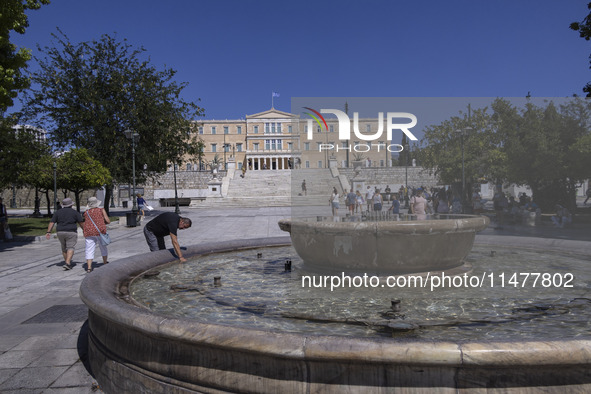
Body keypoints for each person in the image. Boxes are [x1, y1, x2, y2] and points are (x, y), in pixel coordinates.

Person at [46, 198, 84, 270]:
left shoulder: (58, 212)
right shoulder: (75, 212)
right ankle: (68, 263)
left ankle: (67, 261)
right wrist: (84, 230)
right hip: (71, 232)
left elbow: (52, 222)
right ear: (71, 205)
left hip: (60, 232)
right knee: (70, 247)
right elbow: (81, 222)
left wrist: (48, 232)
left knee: (64, 248)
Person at [82, 197, 110, 273]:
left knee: (89, 249)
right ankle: (105, 262)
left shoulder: (86, 212)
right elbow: (108, 220)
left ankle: (89, 267)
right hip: (100, 232)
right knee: (103, 247)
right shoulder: (101, 210)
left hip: (89, 232)